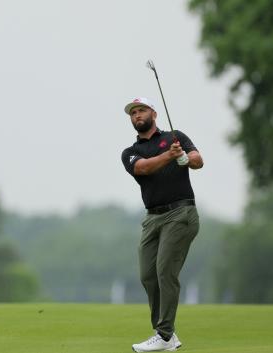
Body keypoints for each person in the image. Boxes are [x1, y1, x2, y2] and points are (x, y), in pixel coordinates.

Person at [120, 97, 203, 352]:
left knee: (165, 270)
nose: (137, 115)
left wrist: (186, 159)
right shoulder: (130, 153)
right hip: (152, 218)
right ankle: (168, 335)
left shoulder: (176, 137)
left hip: (181, 213)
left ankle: (164, 335)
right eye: (133, 113)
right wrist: (170, 156)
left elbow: (199, 160)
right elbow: (144, 169)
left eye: (141, 110)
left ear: (153, 113)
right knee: (148, 274)